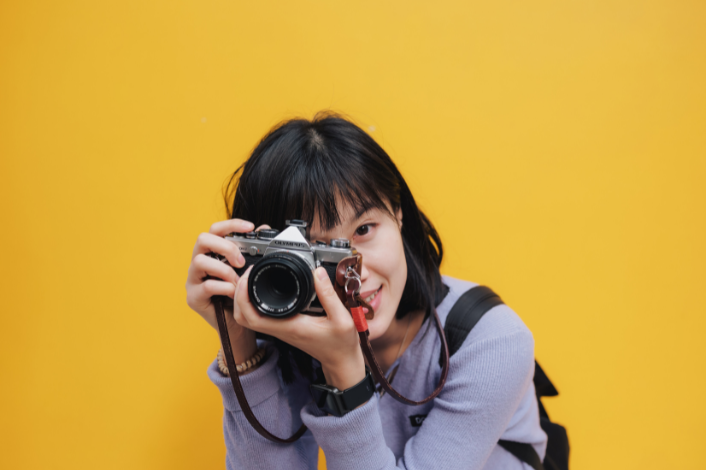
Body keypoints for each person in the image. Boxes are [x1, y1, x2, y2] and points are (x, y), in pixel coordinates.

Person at [185, 112, 547, 469]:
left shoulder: (491, 340)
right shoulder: (292, 331)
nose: (352, 270)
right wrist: (241, 348)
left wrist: (343, 369)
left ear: (398, 215)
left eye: (364, 230)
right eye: (314, 252)